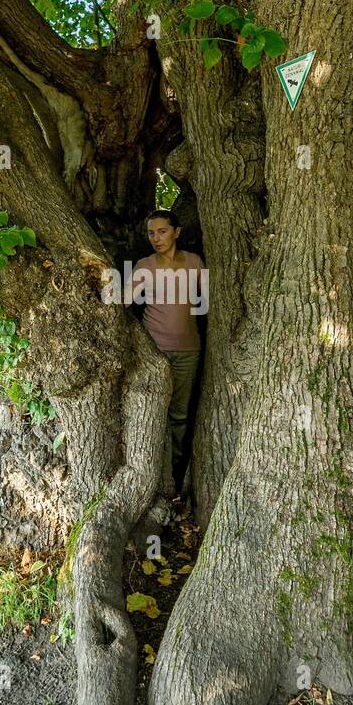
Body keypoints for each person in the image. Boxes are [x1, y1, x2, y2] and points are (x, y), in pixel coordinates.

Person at [131, 210, 207, 495]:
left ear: (176, 232)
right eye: (151, 233)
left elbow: (209, 301)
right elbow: (125, 300)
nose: (156, 238)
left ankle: (172, 477)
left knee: (179, 415)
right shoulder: (144, 266)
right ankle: (150, 476)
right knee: (152, 412)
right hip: (154, 351)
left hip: (189, 350)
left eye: (162, 231)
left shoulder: (194, 262)